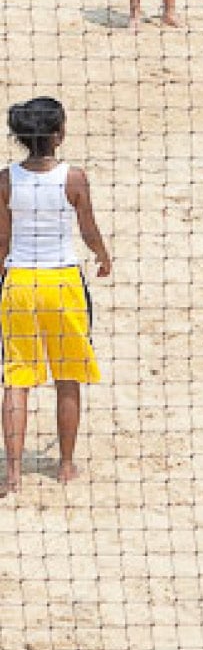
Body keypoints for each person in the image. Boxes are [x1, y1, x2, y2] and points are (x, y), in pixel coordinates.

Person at [0, 97, 112, 493]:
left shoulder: (6, 179)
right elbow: (88, 228)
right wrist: (102, 255)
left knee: (17, 379)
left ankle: (12, 473)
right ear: (59, 135)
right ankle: (65, 465)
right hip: (62, 282)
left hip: (19, 284)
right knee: (67, 378)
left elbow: (2, 239)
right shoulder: (73, 177)